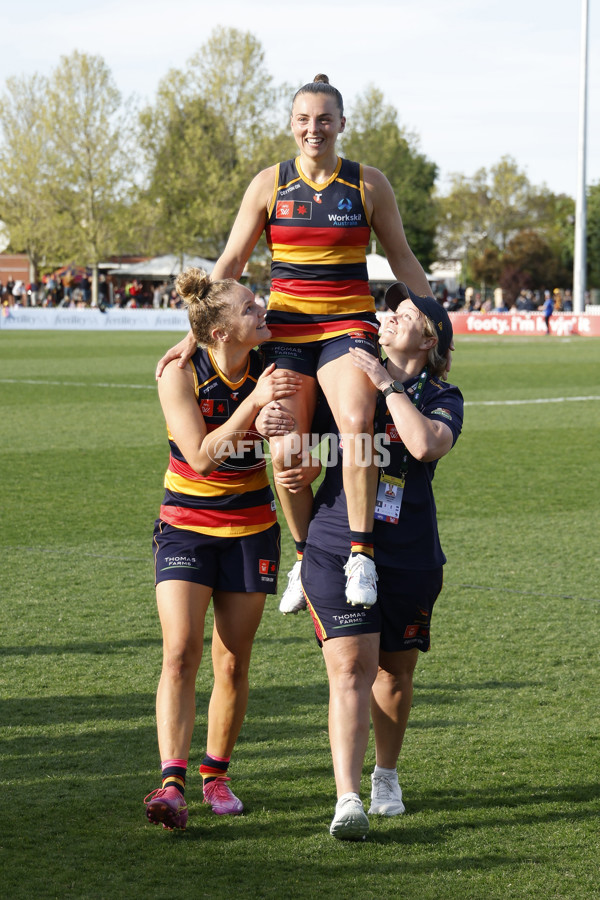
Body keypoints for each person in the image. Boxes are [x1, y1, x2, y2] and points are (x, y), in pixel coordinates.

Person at [156, 74, 433, 616]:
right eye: (305, 119)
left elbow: (401, 257)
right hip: (285, 331)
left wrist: (435, 318)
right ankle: (306, 558)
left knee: (356, 425)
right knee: (284, 450)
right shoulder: (268, 184)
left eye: (325, 119)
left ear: (342, 125)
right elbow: (232, 262)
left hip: (347, 327)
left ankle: (360, 555)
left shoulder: (368, 184)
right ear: (291, 124)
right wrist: (195, 331)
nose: (315, 128)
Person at [260, 282, 463, 840]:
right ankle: (346, 797)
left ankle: (385, 776)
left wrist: (387, 385)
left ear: (431, 337)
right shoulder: (343, 377)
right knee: (350, 668)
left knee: (393, 674)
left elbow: (424, 446)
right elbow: (301, 433)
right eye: (391, 310)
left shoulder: (443, 396)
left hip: (411, 552)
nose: (391, 317)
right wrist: (282, 445)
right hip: (335, 540)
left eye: (406, 313)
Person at [144, 267, 301, 831]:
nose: (262, 313)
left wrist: (287, 437)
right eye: (249, 310)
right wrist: (255, 402)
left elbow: (289, 443)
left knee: (232, 660)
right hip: (186, 525)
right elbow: (203, 456)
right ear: (219, 333)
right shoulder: (179, 374)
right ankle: (171, 782)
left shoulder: (272, 360)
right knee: (181, 652)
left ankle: (216, 774)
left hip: (252, 527)